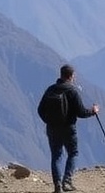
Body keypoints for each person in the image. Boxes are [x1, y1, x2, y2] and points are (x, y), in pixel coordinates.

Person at [38, 64, 99, 193]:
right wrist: (93, 111)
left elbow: (40, 110)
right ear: (71, 76)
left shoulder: (50, 90)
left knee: (56, 156)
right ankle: (67, 181)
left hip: (52, 129)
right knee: (73, 153)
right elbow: (81, 112)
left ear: (61, 75)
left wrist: (49, 122)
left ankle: (57, 185)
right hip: (68, 128)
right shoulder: (72, 91)